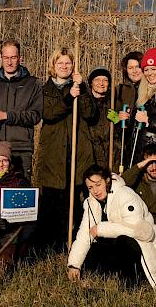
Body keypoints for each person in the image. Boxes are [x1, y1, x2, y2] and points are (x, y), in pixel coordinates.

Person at [67, 167, 156, 291]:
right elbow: (84, 234)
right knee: (91, 252)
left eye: (98, 185)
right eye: (90, 187)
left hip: (144, 250)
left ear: (107, 181)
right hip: (116, 248)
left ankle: (132, 283)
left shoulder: (125, 194)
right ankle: (110, 276)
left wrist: (102, 229)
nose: (95, 191)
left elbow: (138, 231)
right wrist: (74, 265)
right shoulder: (91, 202)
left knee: (124, 241)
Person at [36, 48, 98, 249]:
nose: (64, 67)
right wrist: (68, 98)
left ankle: (77, 242)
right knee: (54, 200)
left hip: (78, 153)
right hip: (55, 153)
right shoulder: (44, 89)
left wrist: (83, 88)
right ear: (53, 66)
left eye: (68, 63)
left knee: (76, 199)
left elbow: (90, 114)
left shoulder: (79, 87)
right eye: (60, 63)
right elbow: (49, 113)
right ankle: (52, 244)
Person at [0, 40, 43, 182]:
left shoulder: (33, 84)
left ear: (20, 58)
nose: (9, 62)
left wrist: (6, 116)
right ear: (0, 58)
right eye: (6, 58)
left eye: (13, 57)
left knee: (19, 195)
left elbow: (35, 116)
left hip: (20, 148)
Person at [114, 51, 144, 169]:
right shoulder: (119, 90)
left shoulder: (151, 89)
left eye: (137, 66)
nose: (134, 71)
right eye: (130, 67)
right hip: (124, 144)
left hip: (143, 142)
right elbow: (107, 113)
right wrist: (117, 117)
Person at [87, 67, 112, 167]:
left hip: (110, 156)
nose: (101, 83)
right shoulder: (85, 103)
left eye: (105, 80)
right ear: (91, 83)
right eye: (97, 80)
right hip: (90, 155)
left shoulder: (114, 102)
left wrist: (118, 118)